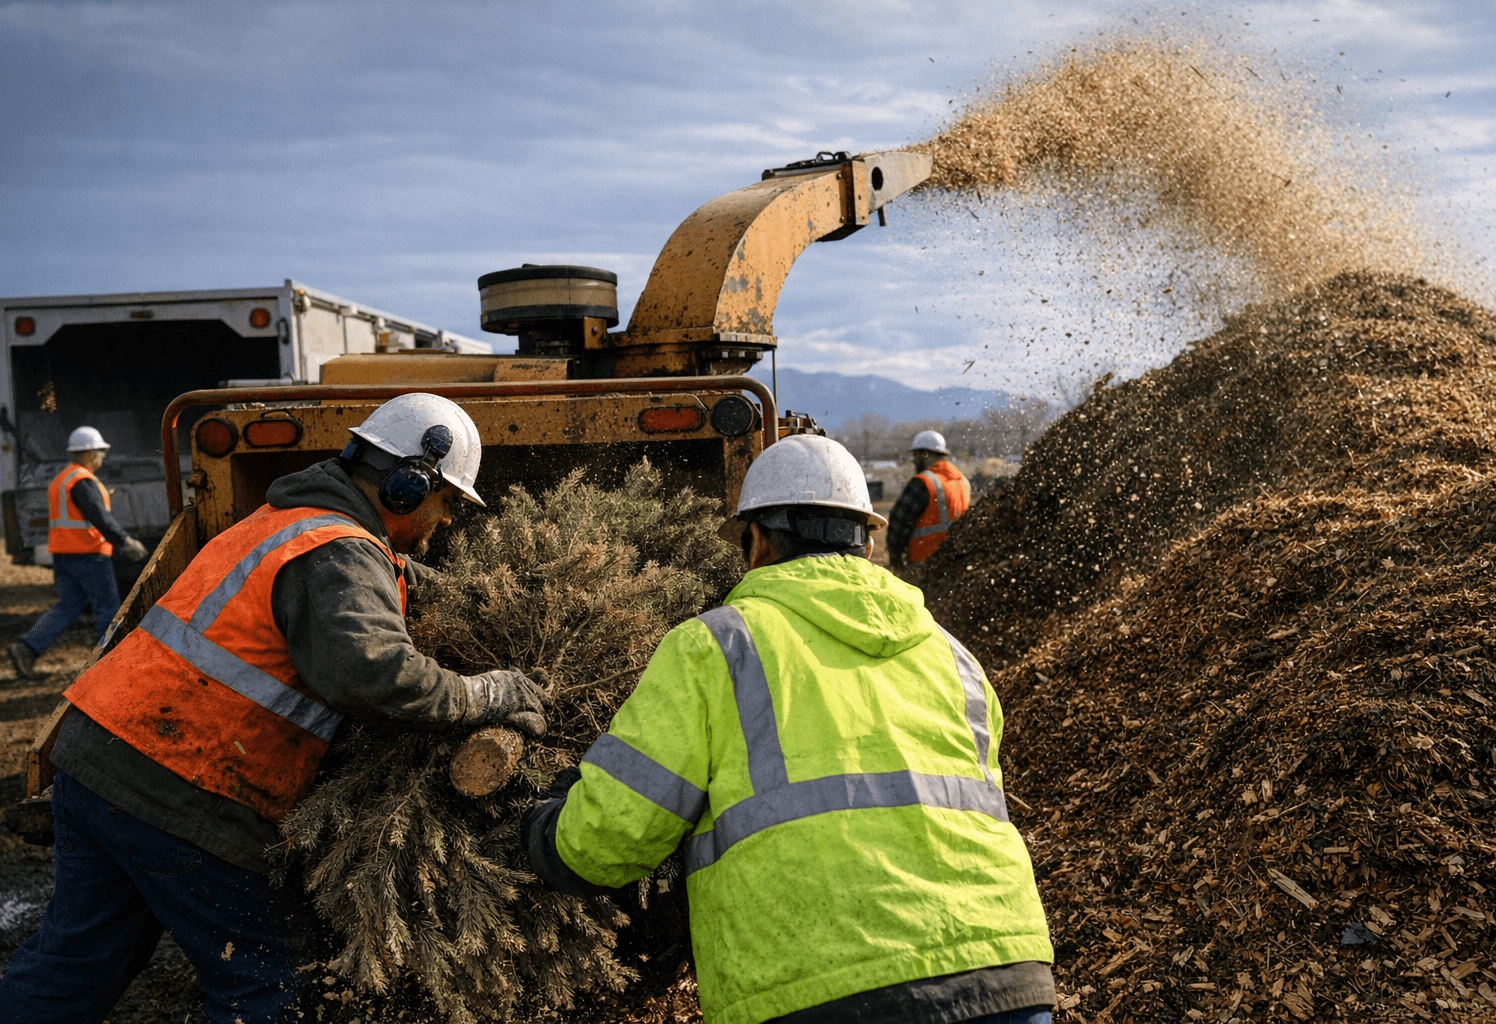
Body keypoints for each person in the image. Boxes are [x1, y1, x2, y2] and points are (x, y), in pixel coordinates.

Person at [0, 394, 549, 1024]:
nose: (448, 520)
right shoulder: (336, 551)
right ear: (404, 485)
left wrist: (481, 594)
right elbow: (376, 677)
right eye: (446, 501)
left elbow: (375, 579)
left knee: (69, 970)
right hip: (183, 789)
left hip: (99, 762)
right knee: (267, 982)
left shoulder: (291, 520)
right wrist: (489, 693)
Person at [523, 434, 1054, 1024]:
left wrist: (548, 829)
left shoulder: (721, 646)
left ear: (758, 541)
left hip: (825, 987)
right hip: (1007, 973)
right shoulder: (953, 656)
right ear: (869, 540)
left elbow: (609, 838)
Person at [7, 427, 150, 679]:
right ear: (88, 452)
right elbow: (99, 516)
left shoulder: (63, 479)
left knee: (68, 606)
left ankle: (26, 648)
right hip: (89, 554)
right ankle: (112, 663)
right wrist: (124, 540)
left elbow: (79, 511)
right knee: (107, 608)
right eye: (100, 452)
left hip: (64, 555)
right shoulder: (82, 481)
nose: (102, 457)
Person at [887, 429, 971, 569]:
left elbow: (899, 521)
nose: (913, 460)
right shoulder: (962, 480)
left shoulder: (924, 482)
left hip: (925, 562)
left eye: (916, 455)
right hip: (956, 562)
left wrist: (895, 557)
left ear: (925, 454)